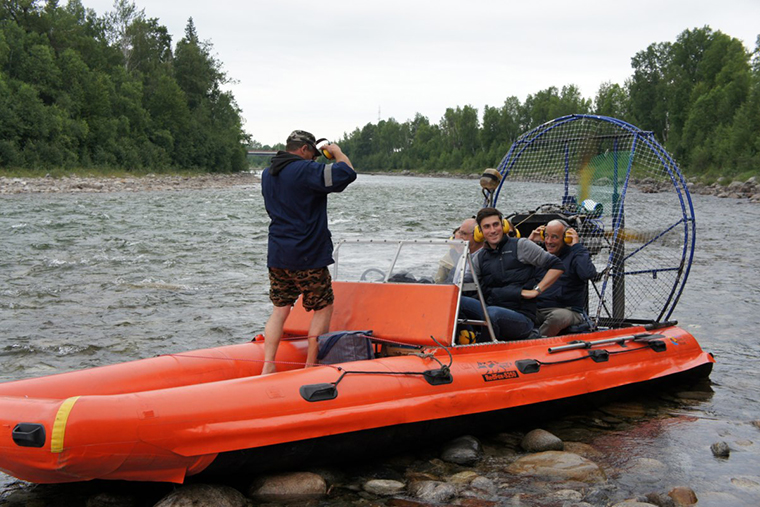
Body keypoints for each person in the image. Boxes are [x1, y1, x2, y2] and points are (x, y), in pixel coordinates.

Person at [260, 130, 357, 374]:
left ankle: (268, 365)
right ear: (303, 149)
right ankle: (310, 366)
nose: (315, 159)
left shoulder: (267, 174)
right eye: (313, 154)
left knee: (280, 308)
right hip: (306, 255)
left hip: (278, 254)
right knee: (322, 307)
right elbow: (347, 173)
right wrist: (336, 152)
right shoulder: (304, 170)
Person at [459, 208, 564, 341]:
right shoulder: (479, 257)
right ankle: (462, 340)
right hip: (490, 308)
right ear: (480, 231)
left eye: (495, 225)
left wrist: (536, 290)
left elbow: (557, 266)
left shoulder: (521, 246)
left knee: (492, 314)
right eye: (487, 226)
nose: (492, 230)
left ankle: (482, 348)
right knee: (455, 302)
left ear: (503, 226)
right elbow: (465, 280)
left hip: (521, 317)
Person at [528, 219, 598, 336]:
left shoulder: (576, 254)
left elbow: (588, 274)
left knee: (557, 317)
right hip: (537, 308)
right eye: (546, 236)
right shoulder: (539, 255)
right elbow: (512, 270)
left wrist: (577, 246)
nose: (549, 241)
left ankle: (533, 342)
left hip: (567, 311)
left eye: (554, 237)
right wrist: (528, 243)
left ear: (566, 238)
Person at [434, 218, 481, 284]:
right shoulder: (463, 257)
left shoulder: (480, 258)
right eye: (459, 233)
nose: (460, 238)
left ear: (478, 235)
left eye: (464, 234)